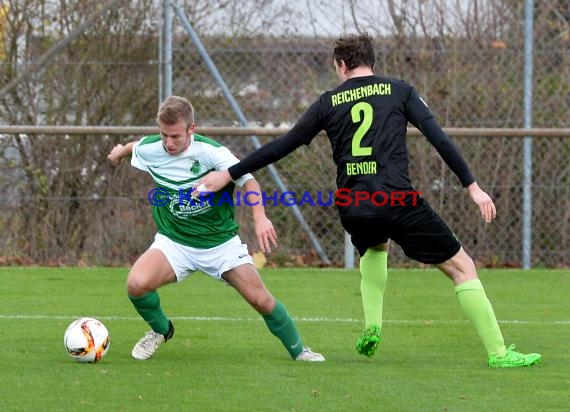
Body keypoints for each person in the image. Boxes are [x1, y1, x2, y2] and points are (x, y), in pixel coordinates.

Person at [196, 33, 541, 368]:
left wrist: (230, 173)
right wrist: (472, 186)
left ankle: (372, 326)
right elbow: (439, 139)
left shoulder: (328, 101)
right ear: (370, 63)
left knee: (375, 248)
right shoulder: (399, 90)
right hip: (396, 199)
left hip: (353, 206)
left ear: (342, 65)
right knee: (463, 268)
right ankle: (498, 352)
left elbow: (281, 146)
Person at [107, 95, 324, 362]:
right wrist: (119, 152)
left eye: (175, 136)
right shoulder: (153, 147)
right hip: (174, 242)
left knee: (261, 300)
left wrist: (259, 217)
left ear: (192, 129)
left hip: (220, 245)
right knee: (136, 284)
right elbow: (135, 147)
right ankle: (161, 331)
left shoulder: (212, 153)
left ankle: (300, 351)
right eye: (163, 135)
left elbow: (249, 181)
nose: (168, 143)